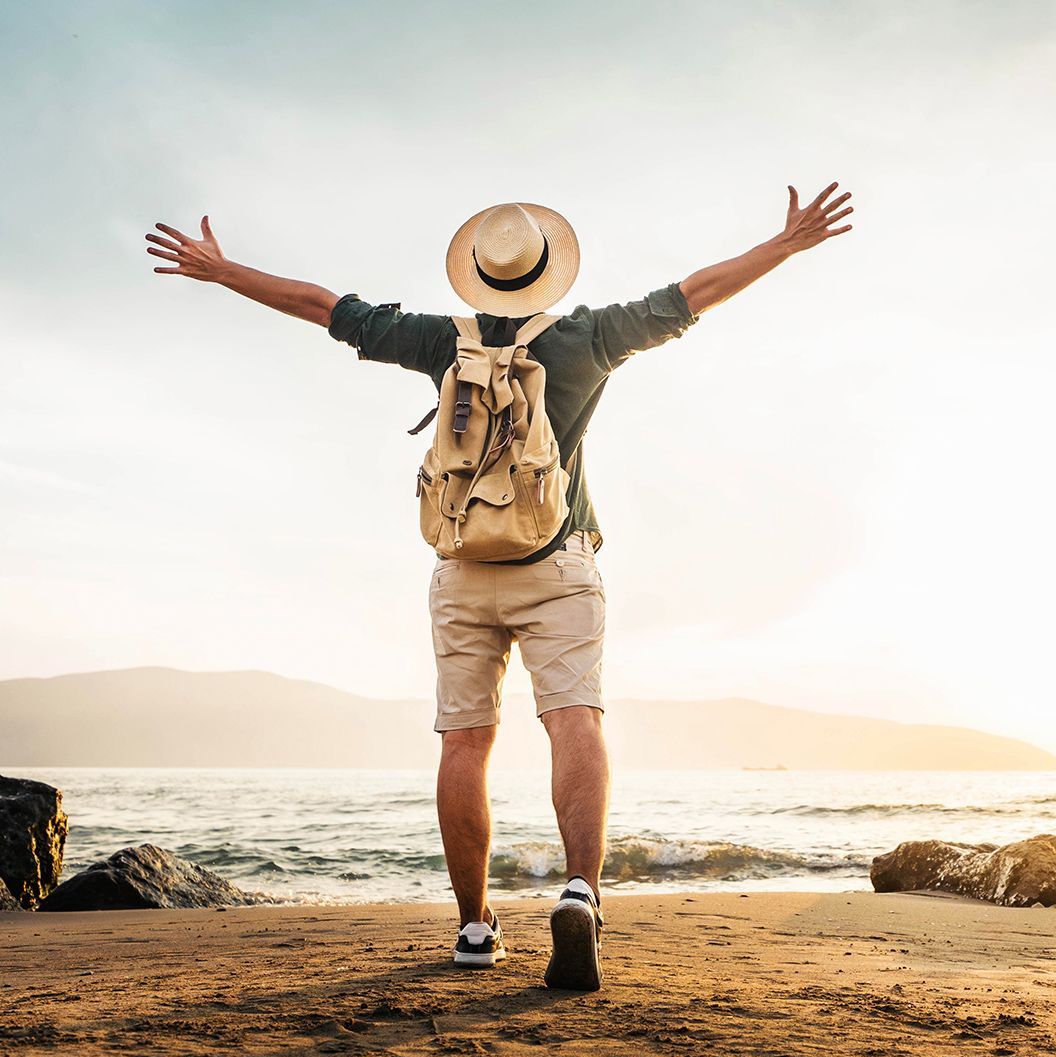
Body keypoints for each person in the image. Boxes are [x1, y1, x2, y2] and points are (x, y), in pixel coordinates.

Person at [144, 184, 854, 990]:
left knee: (465, 741)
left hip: (461, 569)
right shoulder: (592, 335)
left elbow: (320, 306)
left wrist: (223, 269)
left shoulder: (437, 341)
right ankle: (582, 890)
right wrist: (784, 245)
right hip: (557, 564)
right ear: (549, 269)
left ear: (478, 274)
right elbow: (695, 293)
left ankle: (474, 929)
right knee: (573, 721)